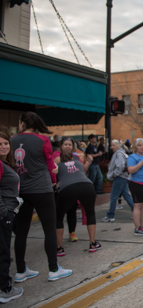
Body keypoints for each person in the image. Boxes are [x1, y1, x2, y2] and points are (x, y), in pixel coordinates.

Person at [11, 112, 72, 282]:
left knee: (21, 231)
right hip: (42, 189)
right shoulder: (43, 140)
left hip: (21, 189)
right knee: (49, 228)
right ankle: (53, 269)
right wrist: (54, 182)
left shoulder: (12, 140)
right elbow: (50, 165)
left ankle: (21, 270)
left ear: (23, 123)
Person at [56, 149, 101, 254]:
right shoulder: (78, 163)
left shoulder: (58, 166)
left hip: (67, 188)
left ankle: (59, 247)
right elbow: (84, 172)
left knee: (58, 217)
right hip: (86, 186)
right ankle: (92, 243)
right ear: (72, 157)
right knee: (90, 213)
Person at [53, 137, 92, 243]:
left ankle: (72, 233)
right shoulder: (56, 155)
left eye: (70, 145)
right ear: (61, 146)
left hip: (72, 186)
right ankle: (58, 240)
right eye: (65, 144)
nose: (67, 146)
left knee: (72, 211)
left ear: (73, 146)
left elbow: (82, 170)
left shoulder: (76, 157)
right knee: (59, 214)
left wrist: (88, 163)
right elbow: (57, 167)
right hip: (60, 187)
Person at [0, 130, 24, 303]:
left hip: (7, 211)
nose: (3, 146)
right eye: (0, 144)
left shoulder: (4, 163)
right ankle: (5, 289)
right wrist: (4, 212)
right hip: (4, 214)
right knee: (3, 251)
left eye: (6, 143)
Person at [102, 140, 134, 222]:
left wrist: (115, 174)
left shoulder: (119, 154)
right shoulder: (122, 153)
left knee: (113, 196)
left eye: (113, 145)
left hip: (119, 177)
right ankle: (136, 212)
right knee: (126, 196)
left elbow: (120, 166)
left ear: (118, 146)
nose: (111, 147)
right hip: (123, 177)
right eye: (111, 145)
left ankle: (110, 215)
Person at [127, 138, 143, 235]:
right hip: (136, 183)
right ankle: (137, 227)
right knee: (137, 206)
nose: (142, 147)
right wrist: (141, 163)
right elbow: (131, 170)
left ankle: (142, 225)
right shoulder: (132, 157)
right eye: (139, 145)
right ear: (135, 146)